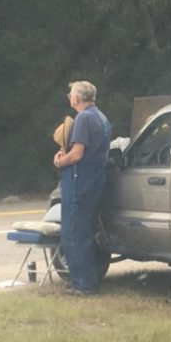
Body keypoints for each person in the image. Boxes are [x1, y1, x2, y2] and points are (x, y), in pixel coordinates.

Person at [53, 81, 112, 296]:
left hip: (80, 180)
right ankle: (88, 279)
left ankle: (83, 284)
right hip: (95, 179)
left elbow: (77, 154)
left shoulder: (83, 118)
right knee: (85, 230)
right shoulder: (101, 117)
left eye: (71, 93)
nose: (69, 96)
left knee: (75, 233)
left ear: (77, 98)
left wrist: (61, 161)